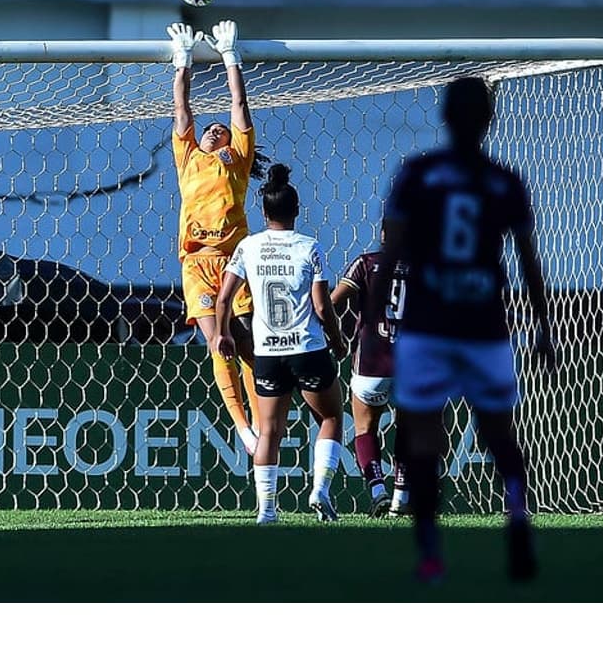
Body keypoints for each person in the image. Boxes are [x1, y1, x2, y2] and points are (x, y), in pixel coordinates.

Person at [374, 76, 555, 584]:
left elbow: (392, 252)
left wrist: (372, 319)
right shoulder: (504, 180)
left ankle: (430, 553)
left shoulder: (418, 173)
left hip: (428, 325)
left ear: (445, 116)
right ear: (489, 119)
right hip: (485, 327)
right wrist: (542, 324)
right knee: (500, 435)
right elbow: (528, 261)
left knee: (423, 437)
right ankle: (518, 516)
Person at [213, 164, 348, 524]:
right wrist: (337, 340)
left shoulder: (248, 247)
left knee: (269, 430)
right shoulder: (310, 247)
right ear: (297, 210)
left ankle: (267, 511)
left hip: (267, 353)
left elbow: (224, 299)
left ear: (263, 212)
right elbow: (322, 305)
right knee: (332, 416)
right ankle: (320, 489)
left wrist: (223, 333)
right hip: (307, 347)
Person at [167, 18, 267, 455]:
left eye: (221, 129)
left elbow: (239, 104)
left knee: (245, 341)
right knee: (216, 340)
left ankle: (265, 425)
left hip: (234, 262)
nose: (214, 130)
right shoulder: (187, 156)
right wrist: (183, 62)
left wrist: (231, 56)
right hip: (196, 263)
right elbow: (182, 111)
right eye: (211, 129)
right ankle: (244, 428)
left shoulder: (237, 160)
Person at [331, 231, 410, 517]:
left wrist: (336, 335)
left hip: (370, 364)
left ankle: (378, 490)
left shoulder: (366, 262)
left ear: (383, 233)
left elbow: (333, 300)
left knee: (365, 428)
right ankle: (401, 497)